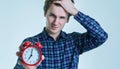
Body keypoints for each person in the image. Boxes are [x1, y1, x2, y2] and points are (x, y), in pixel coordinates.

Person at [14, 0, 108, 69]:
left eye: (62, 17)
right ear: (45, 13)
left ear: (67, 19)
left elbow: (101, 36)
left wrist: (75, 12)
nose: (56, 22)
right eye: (52, 15)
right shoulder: (31, 43)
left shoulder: (74, 41)